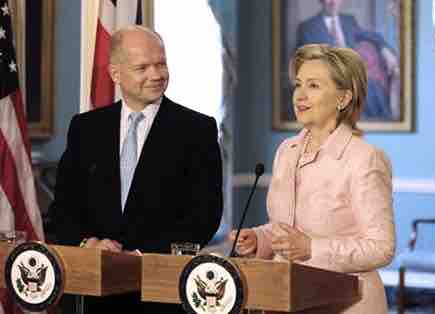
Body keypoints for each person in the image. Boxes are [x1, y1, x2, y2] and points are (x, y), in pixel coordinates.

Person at [52, 25, 223, 313]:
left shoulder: (196, 130)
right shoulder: (86, 128)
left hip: (160, 292)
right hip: (93, 292)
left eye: (161, 64)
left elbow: (204, 216)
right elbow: (64, 207)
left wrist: (140, 257)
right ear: (115, 74)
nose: (156, 75)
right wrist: (89, 244)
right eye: (142, 67)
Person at [230, 44, 395, 314]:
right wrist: (260, 239)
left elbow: (381, 248)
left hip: (347, 303)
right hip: (285, 299)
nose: (300, 96)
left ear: (343, 98)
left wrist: (310, 249)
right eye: (298, 85)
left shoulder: (365, 159)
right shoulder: (287, 150)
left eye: (314, 86)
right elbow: (285, 228)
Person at [295, 0, 400, 121]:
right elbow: (303, 60)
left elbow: (371, 36)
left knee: (375, 89)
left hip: (351, 74)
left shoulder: (349, 21)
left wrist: (385, 50)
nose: (333, 2)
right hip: (328, 77)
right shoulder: (307, 27)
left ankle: (387, 125)